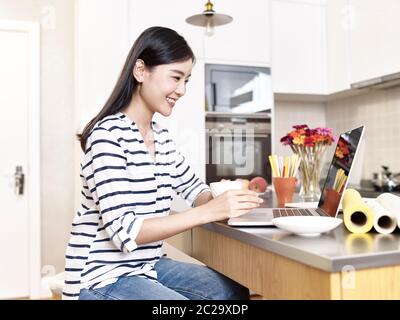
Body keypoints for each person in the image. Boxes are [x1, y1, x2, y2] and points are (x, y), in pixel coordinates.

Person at [63, 26, 263, 300]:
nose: (181, 90)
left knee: (233, 290)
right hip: (101, 276)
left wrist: (223, 199)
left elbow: (195, 191)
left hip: (145, 266)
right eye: (176, 77)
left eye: (187, 80)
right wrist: (209, 212)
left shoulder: (162, 138)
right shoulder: (107, 137)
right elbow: (125, 231)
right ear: (141, 71)